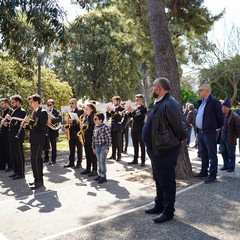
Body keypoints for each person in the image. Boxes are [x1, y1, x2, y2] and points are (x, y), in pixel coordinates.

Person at [142, 77, 188, 223]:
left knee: (167, 180)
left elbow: (179, 126)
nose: (152, 88)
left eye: (153, 86)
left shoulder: (170, 103)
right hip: (155, 148)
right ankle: (159, 204)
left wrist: (181, 138)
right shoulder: (159, 102)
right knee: (158, 178)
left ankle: (168, 211)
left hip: (166, 149)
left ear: (160, 88)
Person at [195, 84, 224, 183]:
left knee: (211, 153)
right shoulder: (202, 102)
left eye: (200, 90)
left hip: (210, 131)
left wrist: (217, 127)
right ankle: (204, 171)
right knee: (203, 153)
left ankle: (212, 175)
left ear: (206, 91)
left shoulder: (214, 102)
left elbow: (220, 116)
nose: (199, 92)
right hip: (201, 131)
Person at [23, 94, 48, 189]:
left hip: (39, 139)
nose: (30, 104)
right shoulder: (35, 112)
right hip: (34, 138)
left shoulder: (43, 112)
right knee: (37, 159)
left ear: (37, 102)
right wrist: (26, 126)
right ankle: (38, 179)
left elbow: (42, 127)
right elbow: (34, 127)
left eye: (31, 102)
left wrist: (30, 122)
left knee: (34, 159)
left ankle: (38, 180)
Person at [7, 95, 27, 180]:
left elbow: (19, 123)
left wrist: (10, 119)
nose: (12, 104)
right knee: (14, 155)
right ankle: (16, 171)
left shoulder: (22, 111)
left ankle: (21, 172)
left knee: (19, 155)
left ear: (18, 102)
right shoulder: (13, 111)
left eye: (13, 102)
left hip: (18, 137)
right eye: (11, 102)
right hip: (12, 136)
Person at [219, 99, 240, 172]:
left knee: (231, 153)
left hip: (231, 136)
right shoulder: (223, 115)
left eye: (225, 107)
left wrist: (235, 136)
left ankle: (231, 167)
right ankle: (226, 165)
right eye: (222, 107)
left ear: (229, 107)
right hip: (222, 135)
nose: (223, 108)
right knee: (223, 151)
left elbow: (238, 129)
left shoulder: (235, 116)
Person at [127, 94, 147, 166]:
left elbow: (139, 117)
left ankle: (143, 160)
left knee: (142, 145)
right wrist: (129, 111)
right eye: (136, 100)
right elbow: (130, 116)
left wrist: (132, 111)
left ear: (141, 100)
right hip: (134, 128)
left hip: (140, 128)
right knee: (135, 145)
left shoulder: (143, 108)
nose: (136, 101)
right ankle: (135, 159)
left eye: (137, 99)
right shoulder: (135, 108)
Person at [64, 98, 84, 168]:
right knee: (71, 148)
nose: (71, 105)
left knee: (79, 148)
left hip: (78, 131)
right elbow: (67, 122)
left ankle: (79, 163)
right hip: (71, 131)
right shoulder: (68, 112)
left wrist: (73, 121)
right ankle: (71, 162)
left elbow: (81, 121)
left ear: (76, 104)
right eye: (70, 103)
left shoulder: (80, 111)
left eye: (72, 103)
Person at [92, 112, 112, 184]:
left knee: (102, 162)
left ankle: (103, 176)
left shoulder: (105, 127)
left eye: (95, 119)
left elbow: (109, 138)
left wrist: (107, 148)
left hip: (103, 146)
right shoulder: (95, 127)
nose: (94, 120)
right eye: (94, 119)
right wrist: (93, 147)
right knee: (99, 161)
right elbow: (93, 138)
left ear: (100, 120)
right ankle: (100, 174)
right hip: (97, 146)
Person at [80, 103, 98, 176]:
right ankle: (88, 168)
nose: (85, 110)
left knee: (92, 155)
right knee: (87, 154)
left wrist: (84, 127)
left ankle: (94, 170)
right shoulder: (86, 117)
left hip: (91, 138)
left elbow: (93, 127)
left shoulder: (93, 117)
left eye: (87, 109)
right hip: (86, 138)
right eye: (85, 109)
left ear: (91, 110)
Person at [44, 99, 62, 165]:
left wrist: (51, 121)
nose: (49, 106)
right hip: (46, 130)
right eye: (48, 105)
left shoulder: (56, 111)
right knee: (46, 145)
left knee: (53, 146)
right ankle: (46, 158)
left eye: (50, 105)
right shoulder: (45, 112)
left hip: (53, 131)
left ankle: (53, 159)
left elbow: (60, 119)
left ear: (53, 105)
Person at [106, 96, 124, 161]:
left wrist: (112, 111)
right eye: (113, 101)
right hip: (112, 127)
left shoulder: (121, 109)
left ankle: (119, 155)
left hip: (118, 127)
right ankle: (113, 155)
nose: (113, 102)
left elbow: (118, 117)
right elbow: (109, 117)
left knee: (118, 142)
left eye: (114, 101)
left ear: (118, 101)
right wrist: (108, 112)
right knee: (113, 142)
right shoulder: (113, 108)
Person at [0, 98, 12, 171]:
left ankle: (10, 166)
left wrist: (5, 123)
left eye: (2, 104)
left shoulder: (10, 111)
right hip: (2, 134)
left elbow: (11, 122)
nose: (1, 105)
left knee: (7, 151)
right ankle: (2, 165)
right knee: (1, 151)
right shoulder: (4, 112)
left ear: (7, 104)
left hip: (7, 134)